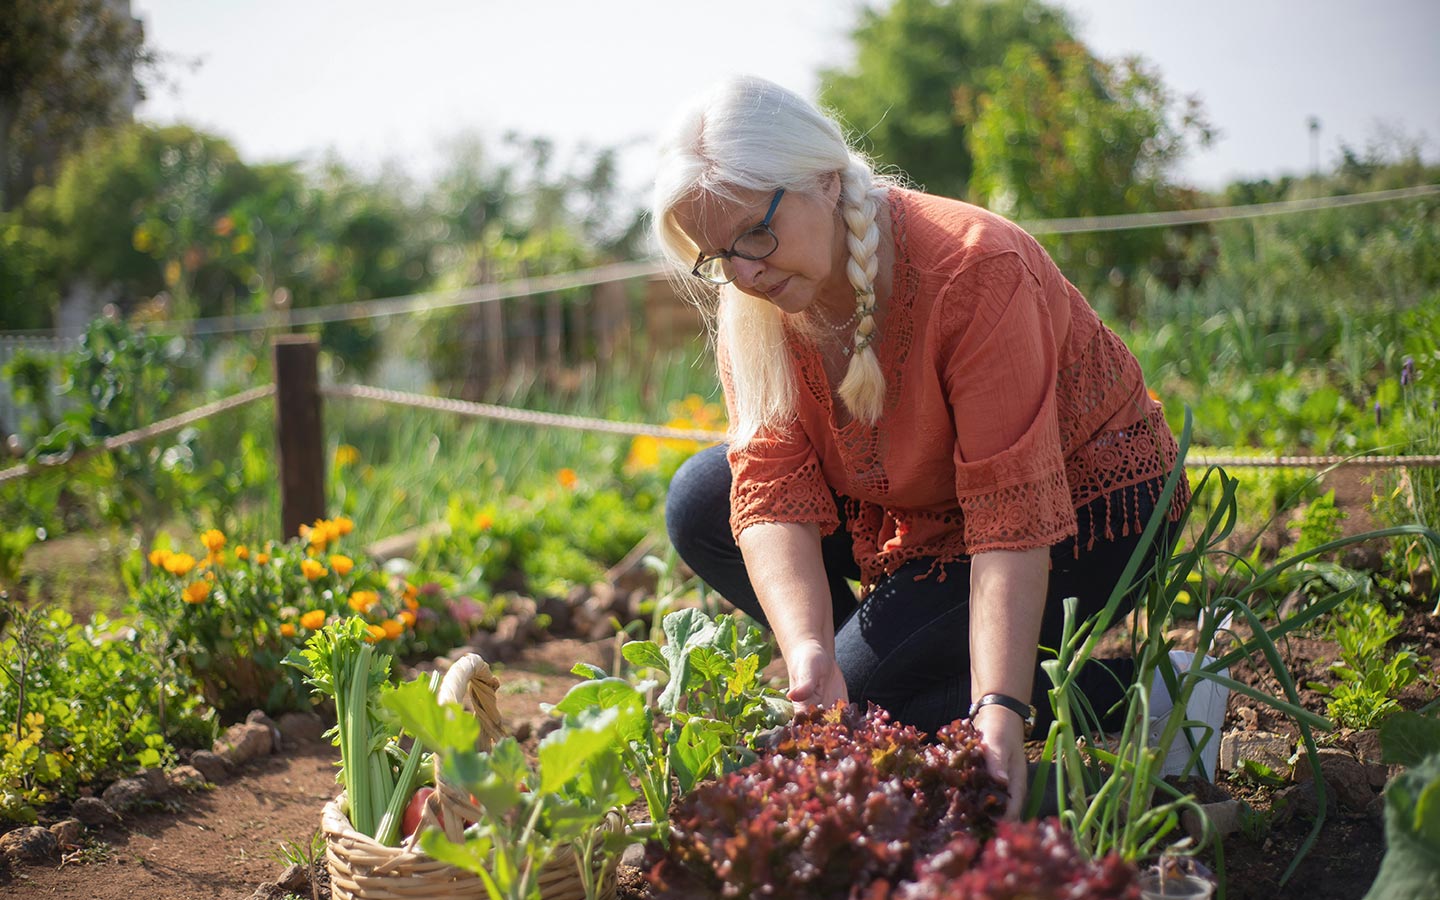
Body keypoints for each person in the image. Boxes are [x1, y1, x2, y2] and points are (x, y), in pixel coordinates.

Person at [654, 75, 1226, 817]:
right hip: (927, 512)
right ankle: (882, 674)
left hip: (1085, 510)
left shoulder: (973, 268)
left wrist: (998, 710)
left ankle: (1154, 692)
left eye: (755, 236)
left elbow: (1010, 520)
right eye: (718, 256)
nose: (745, 273)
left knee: (873, 708)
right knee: (704, 499)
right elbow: (770, 483)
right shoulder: (754, 301)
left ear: (825, 181)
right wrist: (810, 653)